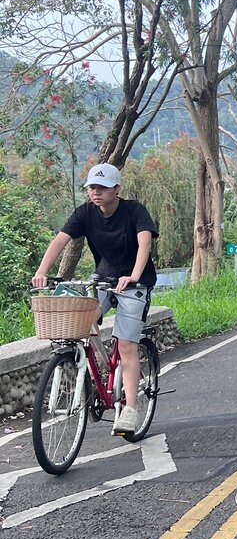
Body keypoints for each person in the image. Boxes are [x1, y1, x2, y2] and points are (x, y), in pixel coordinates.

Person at [32, 162, 158, 434]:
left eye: (101, 187)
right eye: (91, 187)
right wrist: (42, 271)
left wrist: (134, 275)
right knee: (79, 324)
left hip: (134, 283)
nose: (95, 192)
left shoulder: (134, 211)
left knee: (126, 345)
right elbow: (60, 240)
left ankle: (132, 409)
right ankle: (97, 371)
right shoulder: (85, 214)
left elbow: (144, 243)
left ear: (116, 189)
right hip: (102, 279)